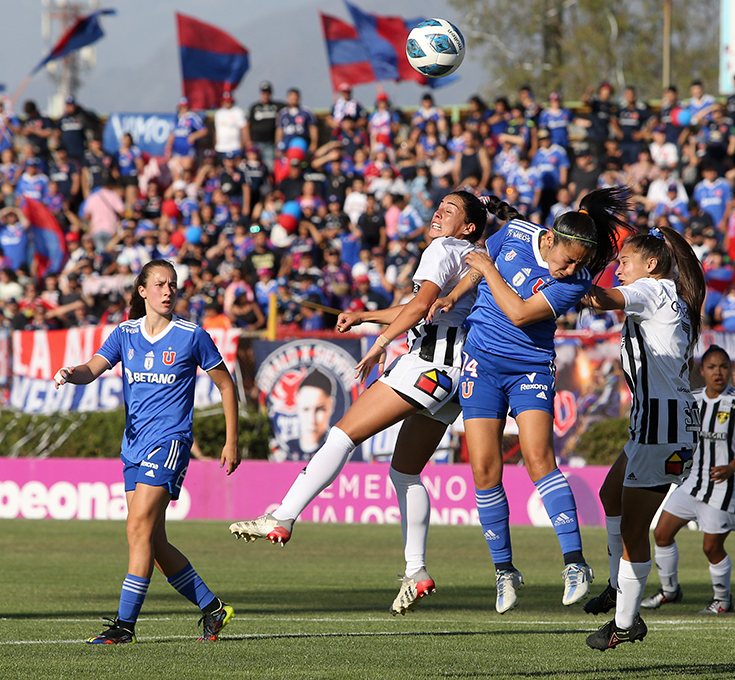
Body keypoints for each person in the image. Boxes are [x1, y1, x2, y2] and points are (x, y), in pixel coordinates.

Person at [228, 191, 486, 616]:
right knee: (404, 473)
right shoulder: (471, 257)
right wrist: (367, 316)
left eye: (451, 210)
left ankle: (284, 516)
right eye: (439, 206)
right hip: (453, 378)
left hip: (423, 366)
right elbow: (421, 309)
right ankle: (416, 570)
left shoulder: (441, 247)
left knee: (341, 436)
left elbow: (421, 306)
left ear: (468, 226)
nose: (440, 212)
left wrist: (380, 343)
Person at [432, 187, 630, 614]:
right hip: (481, 363)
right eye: (569, 258)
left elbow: (520, 312)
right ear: (551, 239)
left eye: (580, 263)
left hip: (529, 368)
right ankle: (505, 571)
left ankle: (575, 564)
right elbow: (479, 269)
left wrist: (487, 266)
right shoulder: (518, 232)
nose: (573, 268)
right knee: (484, 469)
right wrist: (456, 291)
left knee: (539, 460)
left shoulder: (574, 283)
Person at [53, 259, 240, 643]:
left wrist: (231, 440)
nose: (168, 291)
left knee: (136, 528)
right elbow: (93, 368)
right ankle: (213, 608)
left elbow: (226, 385)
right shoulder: (125, 333)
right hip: (133, 447)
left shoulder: (192, 335)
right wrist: (73, 373)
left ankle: (124, 627)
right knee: (152, 543)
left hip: (169, 442)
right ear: (142, 290)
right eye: (160, 284)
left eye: (173, 285)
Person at [579, 226, 706, 650]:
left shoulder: (652, 290)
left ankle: (625, 622)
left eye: (624, 262)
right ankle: (619, 589)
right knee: (610, 495)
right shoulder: (665, 292)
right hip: (652, 423)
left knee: (636, 528)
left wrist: (563, 267)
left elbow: (597, 298)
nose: (618, 269)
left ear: (650, 266)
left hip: (663, 427)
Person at [640, 345, 735, 615]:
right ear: (702, 371)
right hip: (692, 482)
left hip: (723, 486)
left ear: (730, 370)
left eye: (724, 366)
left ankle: (722, 600)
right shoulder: (692, 400)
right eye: (712, 367)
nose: (718, 372)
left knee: (711, 547)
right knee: (661, 534)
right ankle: (670, 591)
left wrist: (731, 467)